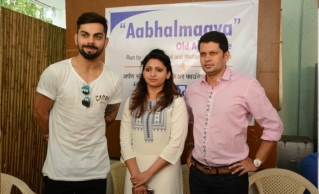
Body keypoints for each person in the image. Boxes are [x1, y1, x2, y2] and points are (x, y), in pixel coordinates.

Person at [33, 12, 123, 194]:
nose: (91, 41)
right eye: (85, 35)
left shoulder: (113, 79)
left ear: (105, 41)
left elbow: (110, 116)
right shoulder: (55, 72)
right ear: (76, 38)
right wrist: (51, 133)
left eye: (97, 37)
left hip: (95, 172)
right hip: (59, 172)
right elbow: (39, 111)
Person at [184, 31, 284, 194]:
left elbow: (274, 126)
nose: (207, 59)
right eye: (203, 54)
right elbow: (190, 122)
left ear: (226, 55)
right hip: (197, 175)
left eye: (213, 53)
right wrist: (189, 148)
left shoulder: (246, 85)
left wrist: (256, 162)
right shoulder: (192, 89)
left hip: (230, 178)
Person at [120, 49, 188, 194]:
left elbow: (175, 145)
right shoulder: (131, 102)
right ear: (143, 73)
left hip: (165, 173)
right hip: (134, 172)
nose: (152, 74)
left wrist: (147, 175)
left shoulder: (177, 103)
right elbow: (125, 142)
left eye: (159, 70)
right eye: (148, 69)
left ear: (168, 74)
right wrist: (137, 178)